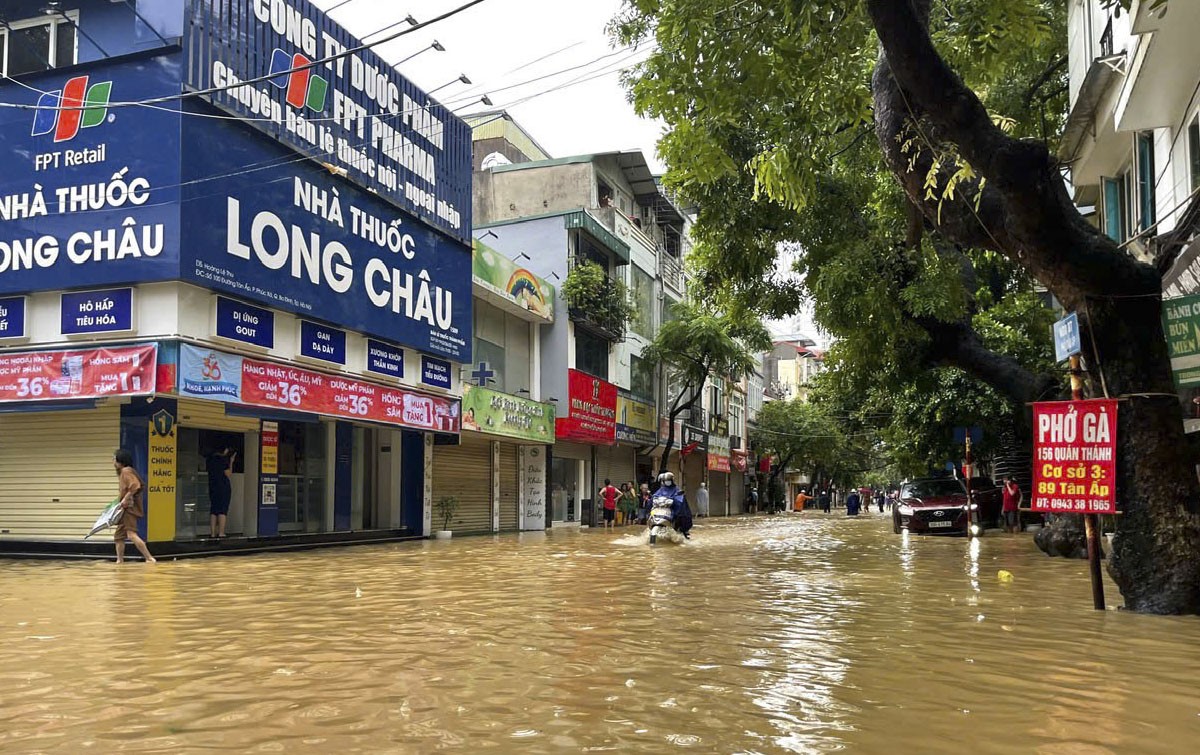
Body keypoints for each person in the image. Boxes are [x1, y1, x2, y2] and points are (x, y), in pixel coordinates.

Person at [113, 449, 155, 564]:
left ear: (120, 461)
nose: (113, 462)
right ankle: (119, 561)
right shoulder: (125, 472)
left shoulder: (126, 471)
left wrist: (126, 498)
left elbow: (135, 486)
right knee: (119, 536)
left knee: (131, 534)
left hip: (128, 509)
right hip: (124, 509)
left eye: (114, 459)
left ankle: (149, 558)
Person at [207, 446, 236, 539]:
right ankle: (221, 532)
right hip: (223, 487)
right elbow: (228, 474)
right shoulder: (223, 460)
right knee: (222, 509)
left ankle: (212, 533)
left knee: (214, 509)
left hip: (212, 486)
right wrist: (231, 462)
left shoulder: (210, 459)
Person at [656, 472, 693, 538]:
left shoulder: (676, 489)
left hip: (673, 509)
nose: (667, 482)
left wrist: (675, 500)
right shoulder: (661, 489)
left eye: (668, 480)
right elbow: (656, 495)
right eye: (666, 481)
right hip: (662, 508)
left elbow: (680, 500)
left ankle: (681, 529)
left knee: (681, 516)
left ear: (672, 481)